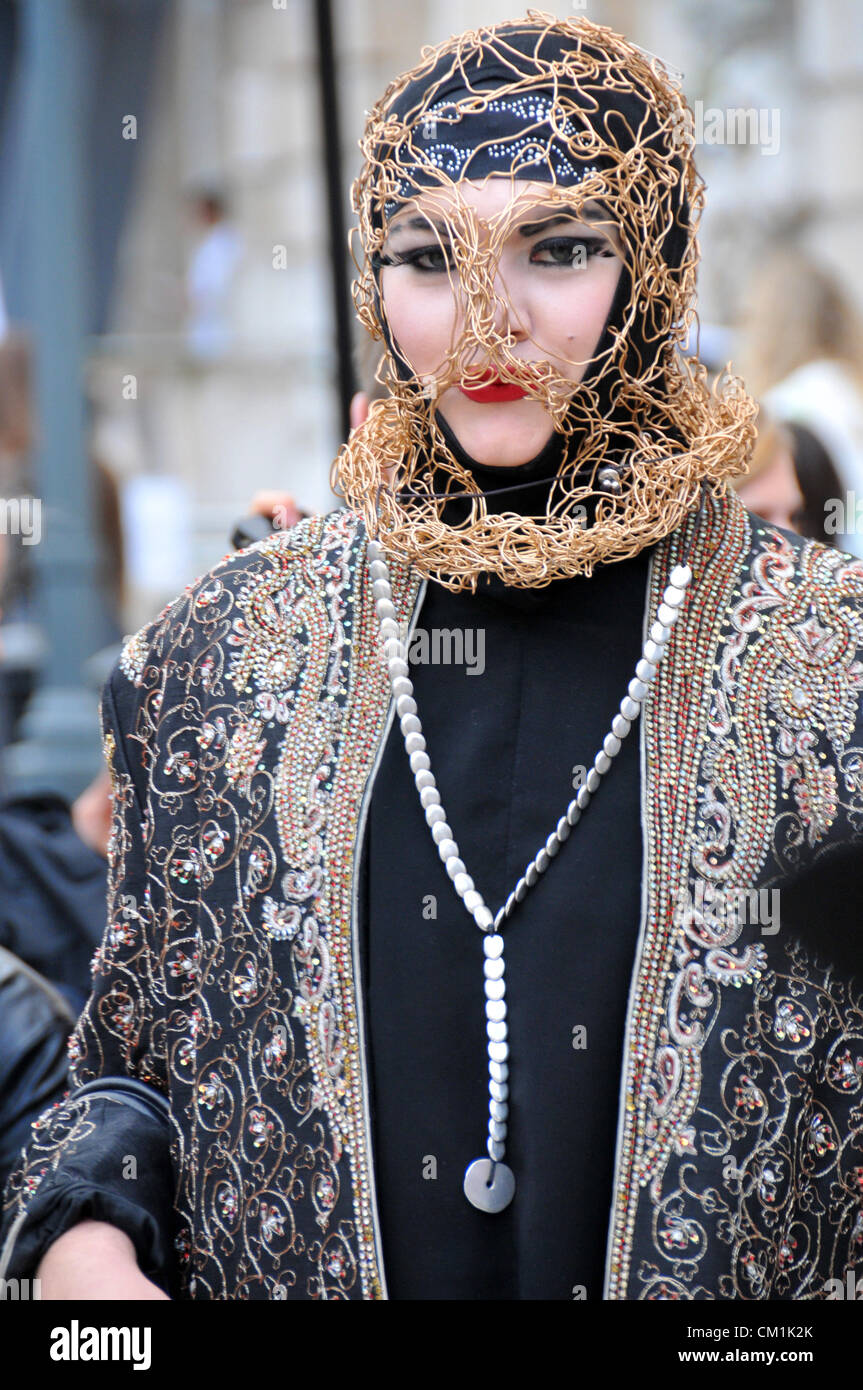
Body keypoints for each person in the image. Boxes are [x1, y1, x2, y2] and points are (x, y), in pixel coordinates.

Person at [4, 13, 863, 1303]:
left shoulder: (833, 668)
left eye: (559, 248)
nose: (486, 320)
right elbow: (129, 1073)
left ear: (660, 264)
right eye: (426, 257)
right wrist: (83, 1256)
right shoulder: (219, 661)